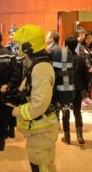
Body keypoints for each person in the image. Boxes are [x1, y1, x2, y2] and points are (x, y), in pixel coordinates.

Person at [11, 24, 58, 172]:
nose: (17, 46)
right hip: (38, 129)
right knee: (39, 163)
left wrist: (17, 112)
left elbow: (39, 104)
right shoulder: (35, 64)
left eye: (19, 44)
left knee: (41, 165)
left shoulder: (41, 68)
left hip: (42, 128)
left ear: (28, 46)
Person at [64, 37, 88, 144]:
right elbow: (85, 76)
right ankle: (79, 136)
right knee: (77, 112)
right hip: (77, 89)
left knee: (65, 112)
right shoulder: (81, 59)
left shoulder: (62, 59)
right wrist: (85, 89)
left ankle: (67, 137)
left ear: (66, 46)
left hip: (64, 89)